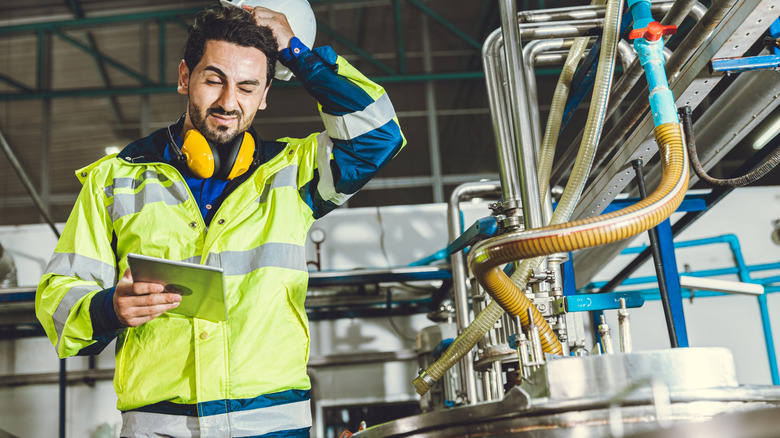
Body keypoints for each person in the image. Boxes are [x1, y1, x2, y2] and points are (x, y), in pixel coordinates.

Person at [35, 4, 404, 437]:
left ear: (265, 94)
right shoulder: (115, 180)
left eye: (248, 87)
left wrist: (298, 54)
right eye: (214, 80)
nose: (229, 102)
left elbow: (378, 136)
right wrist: (108, 308)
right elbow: (57, 298)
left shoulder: (293, 172)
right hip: (159, 426)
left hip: (272, 425)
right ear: (183, 76)